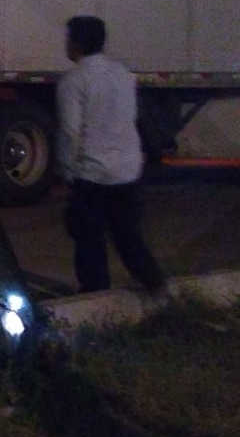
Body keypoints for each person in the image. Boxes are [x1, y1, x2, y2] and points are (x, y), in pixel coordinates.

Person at [56, 15, 166, 296]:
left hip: (93, 172)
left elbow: (71, 132)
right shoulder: (123, 75)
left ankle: (95, 291)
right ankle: (154, 282)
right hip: (127, 169)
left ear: (76, 43)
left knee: (88, 235)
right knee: (127, 233)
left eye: (68, 39)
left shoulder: (73, 80)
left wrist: (69, 171)